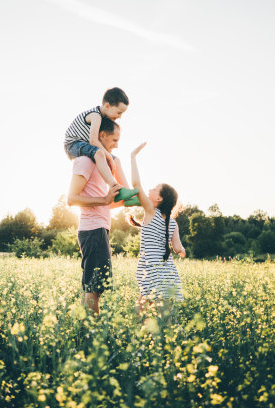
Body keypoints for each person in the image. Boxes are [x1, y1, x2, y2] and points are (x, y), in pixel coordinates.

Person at [67, 117, 124, 315]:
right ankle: (90, 335)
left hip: (99, 229)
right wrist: (104, 200)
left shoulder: (104, 164)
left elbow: (111, 201)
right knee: (94, 287)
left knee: (96, 288)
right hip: (92, 230)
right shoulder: (84, 160)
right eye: (114, 140)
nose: (117, 145)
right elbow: (71, 199)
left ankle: (90, 332)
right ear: (101, 136)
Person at [128, 142, 186, 312]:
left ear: (159, 199)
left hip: (151, 271)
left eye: (154, 189)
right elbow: (178, 248)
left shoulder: (150, 212)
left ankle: (143, 337)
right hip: (167, 272)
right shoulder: (172, 223)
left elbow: (136, 184)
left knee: (140, 313)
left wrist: (132, 157)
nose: (149, 189)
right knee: (166, 319)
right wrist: (183, 251)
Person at [64, 87, 139, 205]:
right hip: (73, 144)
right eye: (119, 112)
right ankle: (115, 187)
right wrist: (108, 156)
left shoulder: (102, 117)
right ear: (107, 106)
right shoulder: (96, 116)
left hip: (84, 144)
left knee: (116, 160)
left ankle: (128, 196)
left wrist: (111, 157)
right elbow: (93, 141)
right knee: (99, 153)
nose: (120, 117)